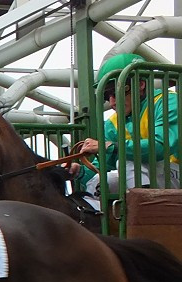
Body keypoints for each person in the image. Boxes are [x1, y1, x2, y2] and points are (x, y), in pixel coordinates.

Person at [74, 53, 180, 200]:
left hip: (176, 175)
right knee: (99, 182)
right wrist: (79, 172)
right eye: (106, 96)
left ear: (141, 84)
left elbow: (161, 146)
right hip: (152, 177)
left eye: (115, 92)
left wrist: (112, 147)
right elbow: (104, 166)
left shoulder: (168, 101)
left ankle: (144, 209)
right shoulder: (113, 123)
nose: (112, 103)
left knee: (127, 160)